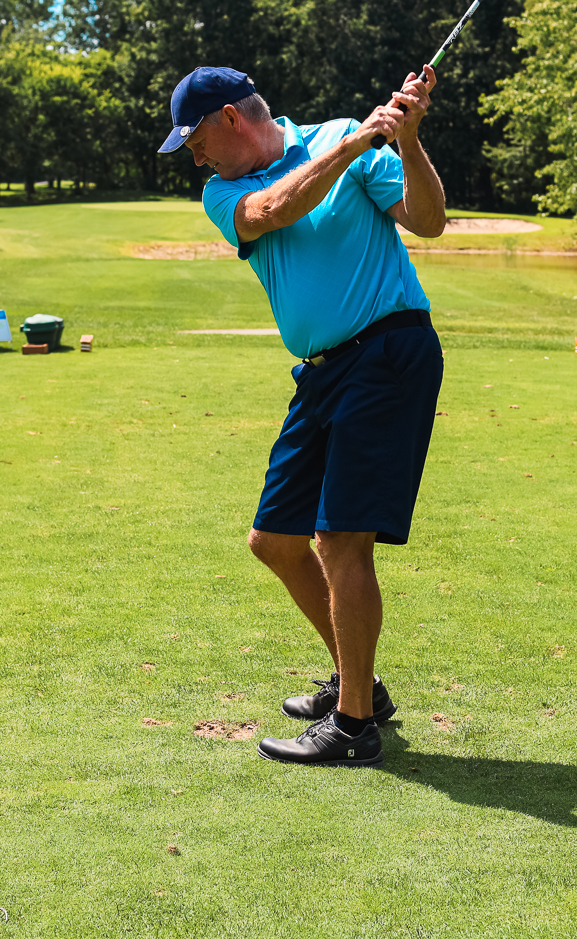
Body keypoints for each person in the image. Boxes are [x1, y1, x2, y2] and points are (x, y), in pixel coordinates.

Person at [158, 65, 447, 767]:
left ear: (230, 118)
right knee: (275, 540)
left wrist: (408, 140)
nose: (195, 159)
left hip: (388, 350)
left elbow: (429, 221)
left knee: (341, 539)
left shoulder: (345, 137)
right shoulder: (226, 191)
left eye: (195, 142)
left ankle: (353, 727)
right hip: (321, 371)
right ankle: (361, 686)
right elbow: (272, 211)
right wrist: (354, 145)